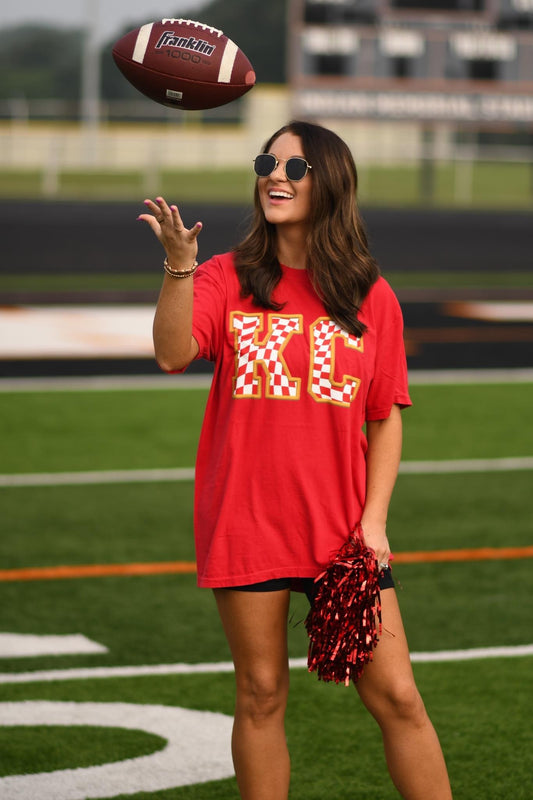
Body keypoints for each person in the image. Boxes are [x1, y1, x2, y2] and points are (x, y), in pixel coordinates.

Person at [139, 120, 452, 800]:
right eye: (267, 163)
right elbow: (170, 353)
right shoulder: (225, 276)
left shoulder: (371, 295)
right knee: (259, 693)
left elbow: (384, 416)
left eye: (295, 167)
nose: (275, 176)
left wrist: (374, 523)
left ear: (330, 182)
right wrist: (178, 267)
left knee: (397, 695)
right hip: (247, 519)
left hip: (342, 532)